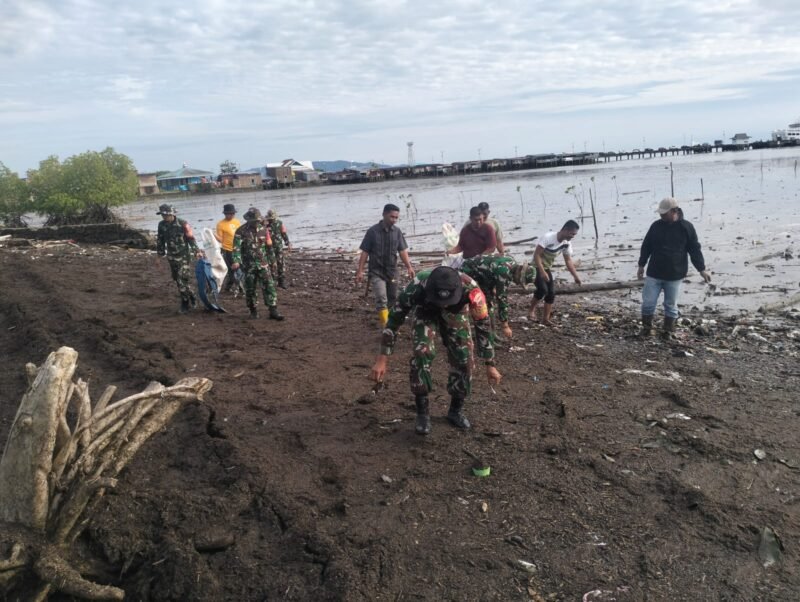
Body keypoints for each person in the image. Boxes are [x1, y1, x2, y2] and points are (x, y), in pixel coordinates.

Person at [370, 266, 502, 436]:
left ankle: (456, 410)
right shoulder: (416, 287)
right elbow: (394, 320)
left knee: (465, 357)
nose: (444, 305)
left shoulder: (473, 292)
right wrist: (382, 359)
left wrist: (490, 363)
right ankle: (422, 414)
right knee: (422, 353)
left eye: (447, 301)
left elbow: (483, 326)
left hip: (457, 312)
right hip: (425, 311)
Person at [637, 197, 711, 338]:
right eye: (661, 213)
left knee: (670, 305)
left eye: (665, 213)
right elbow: (646, 246)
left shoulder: (686, 227)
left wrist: (701, 269)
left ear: (674, 211)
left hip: (675, 274)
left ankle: (668, 331)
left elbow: (694, 249)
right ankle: (646, 329)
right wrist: (641, 265)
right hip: (654, 272)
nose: (662, 216)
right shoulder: (656, 226)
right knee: (648, 303)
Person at [356, 203, 415, 327]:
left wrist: (409, 267)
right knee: (381, 299)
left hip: (392, 271)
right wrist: (360, 271)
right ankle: (387, 327)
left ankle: (391, 324)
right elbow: (365, 252)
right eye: (391, 217)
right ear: (384, 214)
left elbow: (402, 251)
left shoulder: (397, 232)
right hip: (376, 272)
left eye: (396, 218)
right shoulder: (372, 232)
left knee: (392, 299)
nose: (394, 220)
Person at [460, 255, 536, 339]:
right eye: (520, 280)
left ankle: (492, 334)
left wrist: (493, 288)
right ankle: (484, 335)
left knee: (490, 304)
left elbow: (492, 272)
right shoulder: (504, 273)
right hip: (469, 273)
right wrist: (505, 325)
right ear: (519, 272)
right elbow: (502, 299)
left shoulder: (512, 261)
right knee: (480, 305)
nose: (517, 283)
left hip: (483, 277)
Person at [231, 208, 285, 321]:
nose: (256, 222)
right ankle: (253, 310)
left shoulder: (264, 230)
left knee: (269, 286)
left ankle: (273, 311)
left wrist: (273, 260)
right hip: (249, 265)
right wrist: (236, 260)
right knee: (250, 289)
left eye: (258, 220)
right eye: (254, 220)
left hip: (263, 264)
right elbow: (236, 248)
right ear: (249, 220)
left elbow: (269, 246)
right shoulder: (240, 231)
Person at [527, 220, 582, 326]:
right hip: (535, 266)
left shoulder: (566, 244)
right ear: (565, 230)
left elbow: (568, 261)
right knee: (542, 290)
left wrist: (576, 276)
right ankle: (531, 311)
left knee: (551, 293)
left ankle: (545, 319)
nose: (573, 236)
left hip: (546, 267)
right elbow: (537, 255)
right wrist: (542, 272)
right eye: (572, 233)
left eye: (575, 234)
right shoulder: (548, 237)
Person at [156, 203, 202, 313]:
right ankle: (193, 297)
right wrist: (159, 256)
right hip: (171, 257)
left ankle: (185, 304)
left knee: (182, 280)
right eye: (162, 215)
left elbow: (191, 238)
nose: (164, 217)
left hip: (184, 256)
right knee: (178, 281)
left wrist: (197, 251)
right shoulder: (161, 225)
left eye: (166, 215)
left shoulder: (183, 223)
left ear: (172, 214)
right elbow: (160, 241)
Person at [214, 203, 242, 294]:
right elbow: (220, 240)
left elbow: (240, 234)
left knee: (239, 269)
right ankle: (242, 289)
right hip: (227, 250)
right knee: (231, 270)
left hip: (237, 249)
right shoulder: (221, 224)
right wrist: (213, 235)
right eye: (230, 213)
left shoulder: (237, 222)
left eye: (233, 213)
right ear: (225, 214)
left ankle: (227, 287)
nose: (232, 215)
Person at [265, 209, 292, 289]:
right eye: (270, 218)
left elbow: (284, 234)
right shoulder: (265, 224)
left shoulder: (279, 223)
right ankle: (272, 281)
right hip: (269, 248)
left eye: (272, 218)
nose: (271, 220)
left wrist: (288, 243)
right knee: (271, 264)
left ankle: (281, 281)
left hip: (278, 247)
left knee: (281, 263)